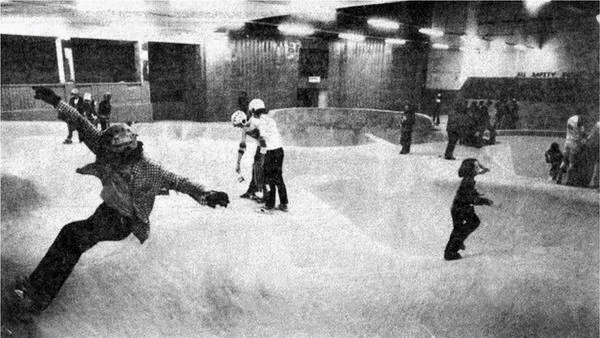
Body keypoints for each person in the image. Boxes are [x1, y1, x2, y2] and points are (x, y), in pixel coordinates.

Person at [12, 87, 230, 320]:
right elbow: (81, 121)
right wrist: (55, 101)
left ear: (125, 153)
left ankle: (36, 299)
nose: (105, 157)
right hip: (106, 211)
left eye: (111, 155)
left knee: (73, 236)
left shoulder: (149, 170)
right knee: (70, 235)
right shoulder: (106, 146)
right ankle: (34, 287)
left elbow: (180, 182)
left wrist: (208, 195)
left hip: (124, 221)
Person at [444, 158, 493, 261]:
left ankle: (454, 247)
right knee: (470, 224)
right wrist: (484, 201)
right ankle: (452, 250)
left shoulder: (468, 179)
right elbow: (469, 198)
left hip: (459, 208)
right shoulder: (468, 181)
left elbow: (469, 194)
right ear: (470, 170)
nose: (478, 169)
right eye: (476, 167)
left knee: (459, 229)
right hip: (462, 208)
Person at [250, 98, 288, 213]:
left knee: (269, 178)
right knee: (279, 178)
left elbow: (262, 140)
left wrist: (261, 155)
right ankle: (283, 203)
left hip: (270, 152)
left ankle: (269, 205)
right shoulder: (269, 119)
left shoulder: (259, 121)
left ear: (253, 110)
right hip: (280, 150)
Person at [231, 110, 265, 202]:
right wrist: (238, 163)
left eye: (239, 125)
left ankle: (265, 195)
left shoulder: (255, 122)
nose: (240, 128)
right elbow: (242, 146)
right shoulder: (244, 129)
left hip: (268, 146)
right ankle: (252, 190)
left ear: (243, 121)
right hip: (260, 146)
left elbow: (265, 137)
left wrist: (263, 152)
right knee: (255, 167)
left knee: (260, 168)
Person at [560, 115, 587, 186]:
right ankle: (568, 181)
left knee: (564, 161)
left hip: (567, 142)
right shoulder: (580, 124)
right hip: (574, 144)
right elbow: (582, 134)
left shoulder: (570, 119)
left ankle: (559, 178)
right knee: (572, 163)